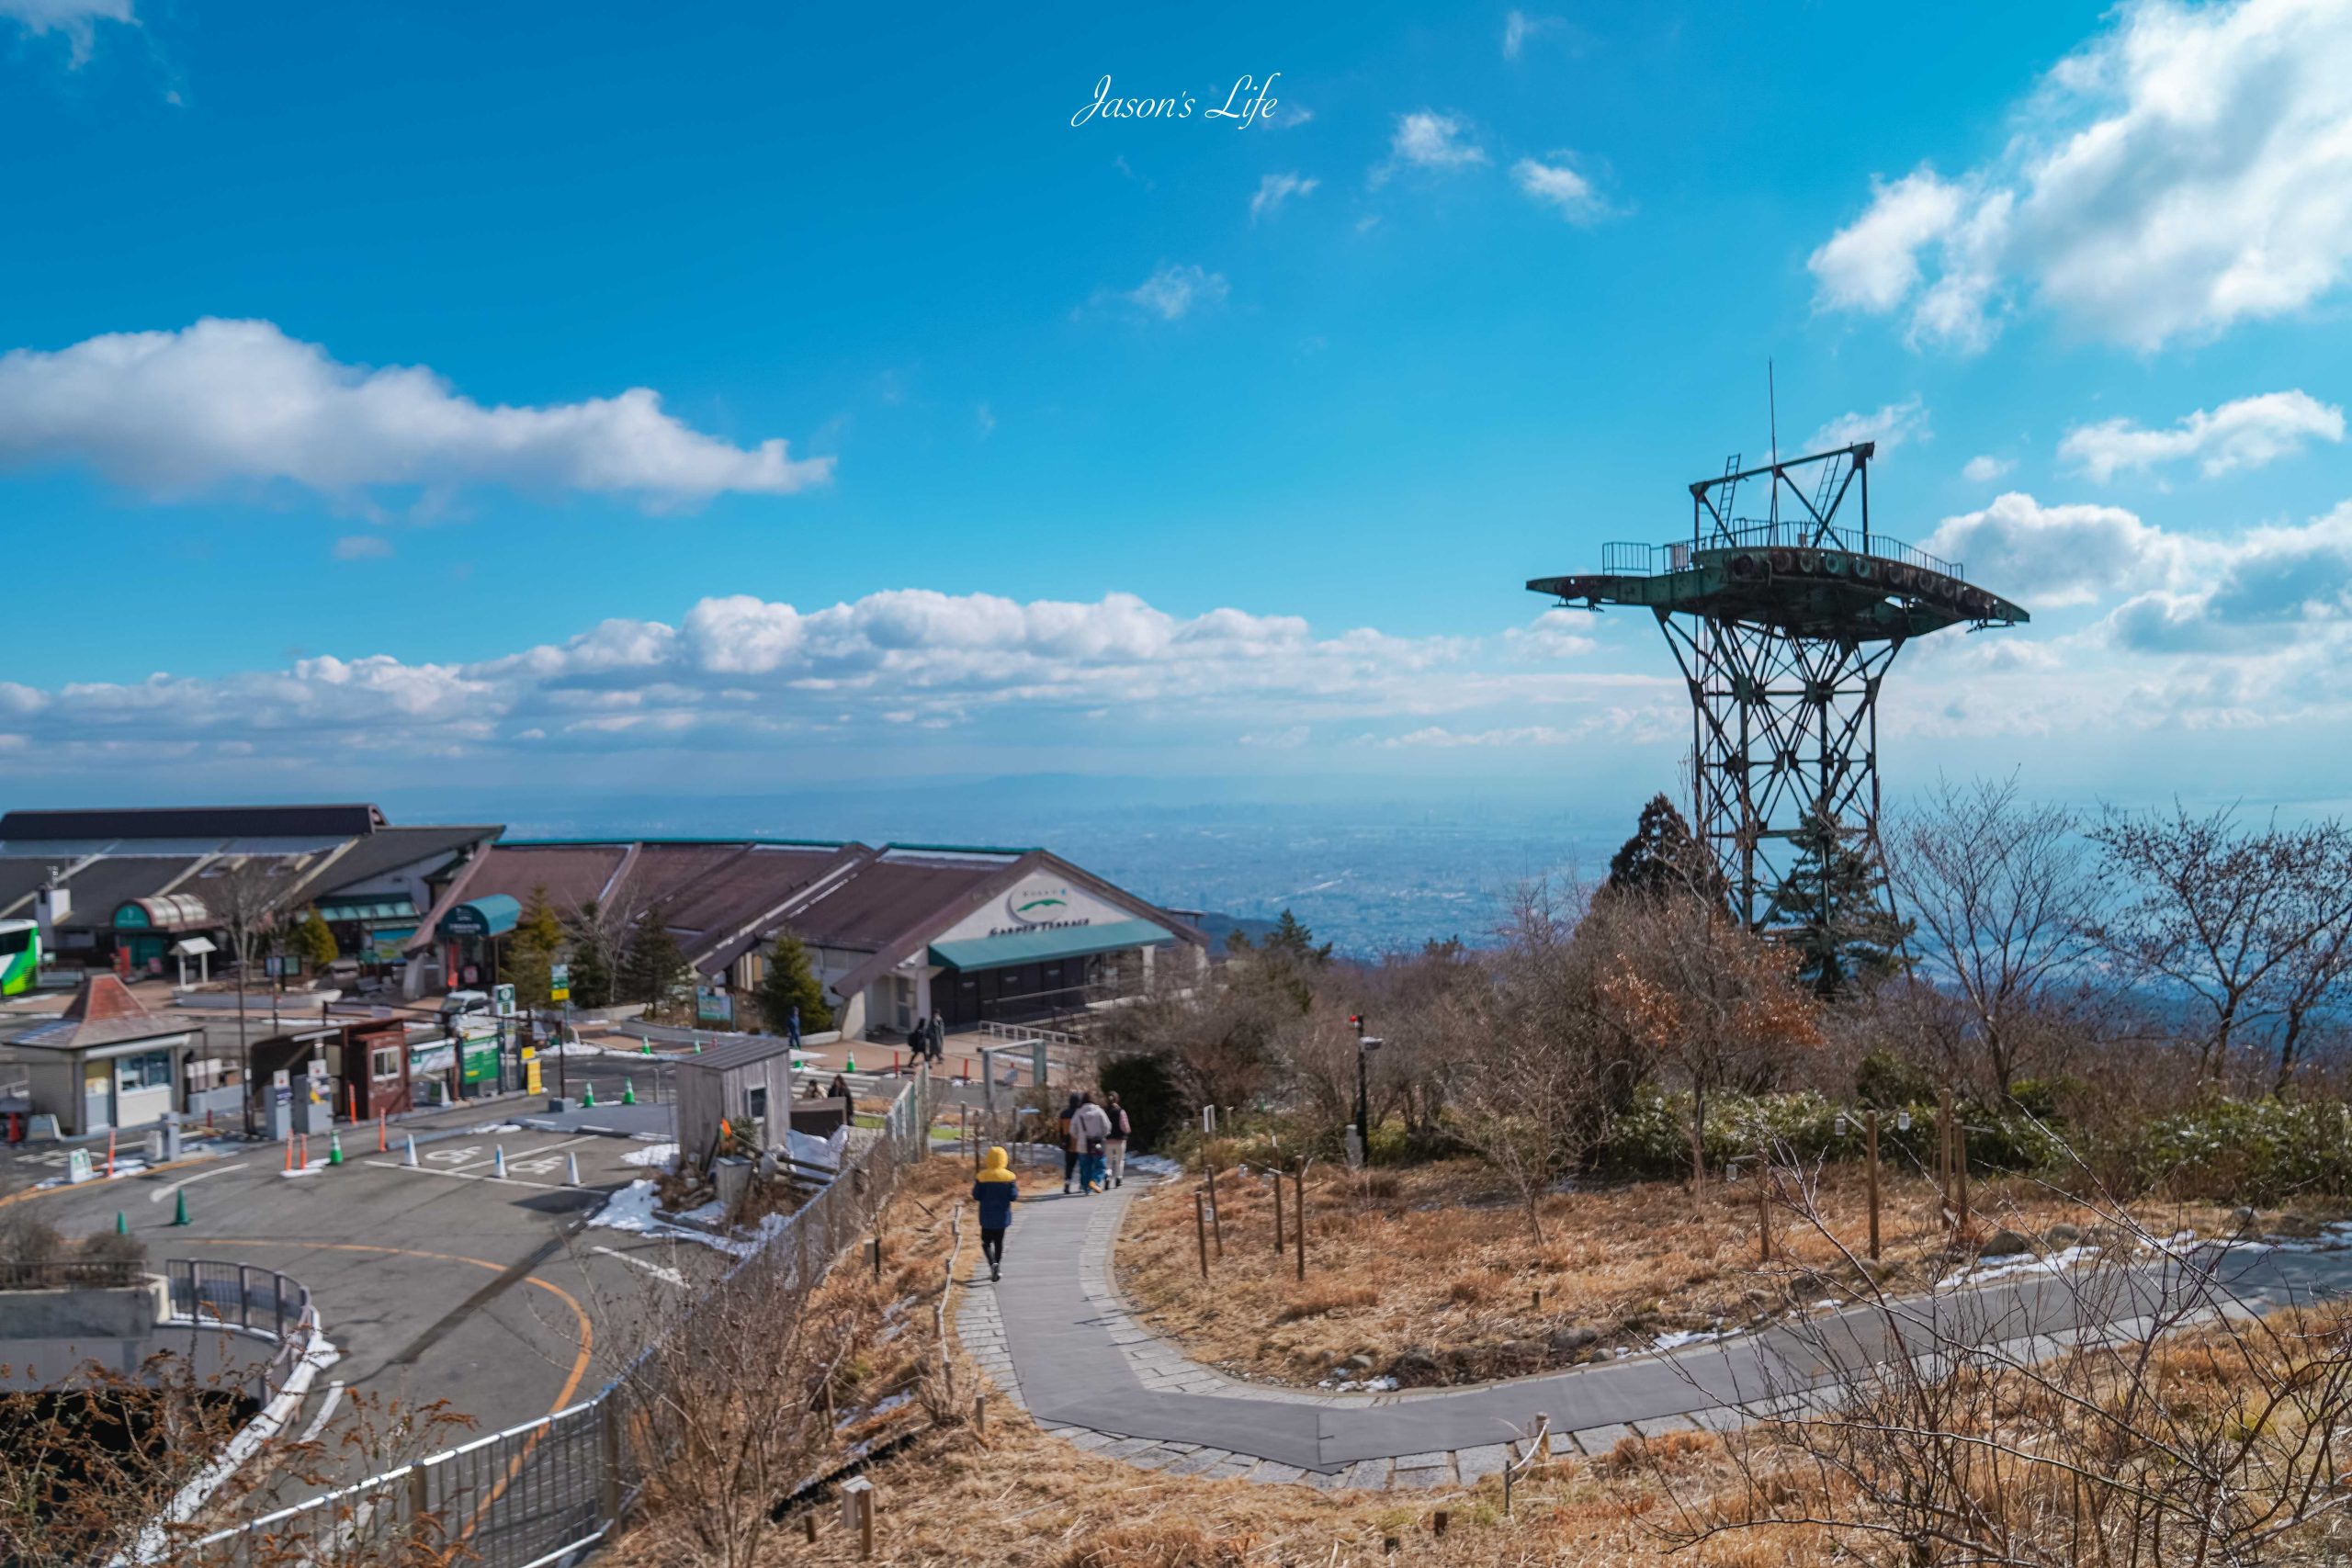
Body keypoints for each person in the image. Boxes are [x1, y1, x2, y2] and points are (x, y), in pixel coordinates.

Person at [972, 1145, 1018, 1281]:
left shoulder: (982, 1177)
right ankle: (997, 1265)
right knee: (999, 1242)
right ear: (1004, 1159)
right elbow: (1013, 1196)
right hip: (1002, 1216)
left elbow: (976, 1195)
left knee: (986, 1243)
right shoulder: (1009, 1177)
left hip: (986, 1216)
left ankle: (992, 1263)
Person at [1070, 1093, 1113, 1193]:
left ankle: (1086, 1188)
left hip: (1082, 1146)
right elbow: (1107, 1127)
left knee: (1085, 1167)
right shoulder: (1099, 1111)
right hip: (1097, 1144)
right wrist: (1102, 1135)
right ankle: (1094, 1181)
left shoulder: (1078, 1113)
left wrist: (1080, 1137)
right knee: (1100, 1165)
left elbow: (1072, 1130)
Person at [1102, 1091, 1130, 1189]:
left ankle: (1108, 1175)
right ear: (1117, 1099)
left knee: (1109, 1161)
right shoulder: (1120, 1111)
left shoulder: (1104, 1112)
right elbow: (1125, 1127)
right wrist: (1127, 1131)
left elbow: (1103, 1126)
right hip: (1120, 1140)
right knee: (1119, 1160)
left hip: (1108, 1140)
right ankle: (1118, 1178)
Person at [1058, 1092, 1082, 1193]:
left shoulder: (1063, 1114)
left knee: (1069, 1166)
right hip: (1081, 1144)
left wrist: (1062, 1139)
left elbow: (1060, 1129)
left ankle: (1067, 1183)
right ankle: (1082, 1184)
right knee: (1082, 1165)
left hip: (1068, 1144)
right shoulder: (1081, 1113)